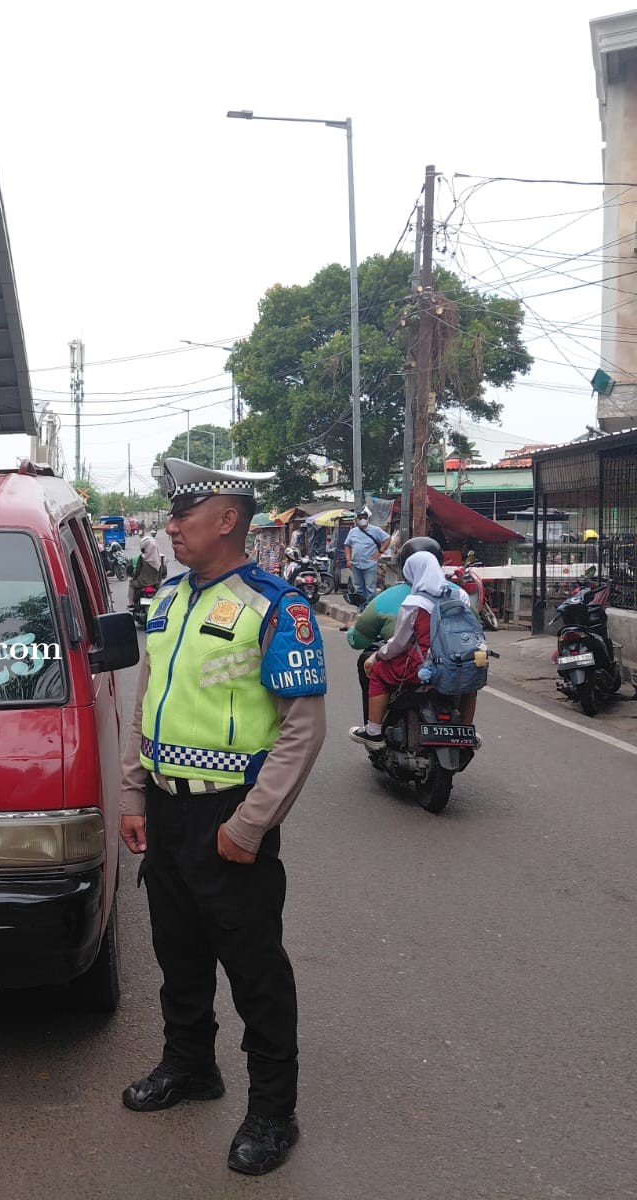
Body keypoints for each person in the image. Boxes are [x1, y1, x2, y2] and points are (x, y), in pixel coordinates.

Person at [119, 458, 327, 1177]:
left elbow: (302, 728)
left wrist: (251, 825)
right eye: (171, 516)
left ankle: (273, 1111)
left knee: (254, 969)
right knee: (177, 954)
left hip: (229, 813)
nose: (170, 527)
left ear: (228, 519)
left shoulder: (277, 605)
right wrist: (132, 792)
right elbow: (146, 702)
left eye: (184, 515)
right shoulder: (169, 599)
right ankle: (190, 1067)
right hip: (168, 812)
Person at [345, 536, 472, 723]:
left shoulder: (402, 600)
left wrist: (378, 655)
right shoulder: (459, 594)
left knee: (374, 669)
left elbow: (372, 641)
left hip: (416, 666)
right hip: (454, 664)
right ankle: (467, 730)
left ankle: (373, 728)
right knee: (471, 681)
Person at [343, 509, 390, 608]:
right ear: (357, 519)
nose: (363, 520)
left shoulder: (375, 530)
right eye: (360, 518)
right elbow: (347, 545)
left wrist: (380, 552)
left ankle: (369, 608)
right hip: (356, 564)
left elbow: (387, 539)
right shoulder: (353, 532)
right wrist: (348, 559)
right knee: (359, 588)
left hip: (370, 563)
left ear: (368, 519)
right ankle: (361, 607)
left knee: (370, 588)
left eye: (364, 518)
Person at [129, 533, 165, 610]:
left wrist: (133, 578)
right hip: (156, 582)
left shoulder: (142, 557)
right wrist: (161, 576)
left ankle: (131, 603)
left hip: (142, 582)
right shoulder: (161, 557)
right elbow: (164, 572)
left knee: (131, 585)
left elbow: (138, 571)